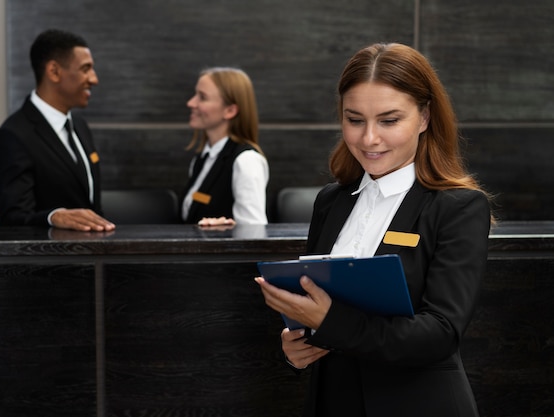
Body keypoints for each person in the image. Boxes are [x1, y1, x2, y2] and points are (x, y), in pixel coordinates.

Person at [255, 42, 493, 417]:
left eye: (389, 120)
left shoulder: (458, 207)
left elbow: (440, 334)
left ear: (425, 118)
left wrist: (329, 322)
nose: (369, 139)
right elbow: (320, 307)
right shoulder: (332, 201)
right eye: (354, 120)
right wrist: (297, 346)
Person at [0, 29, 115, 232]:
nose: (94, 79)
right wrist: (53, 217)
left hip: (92, 258)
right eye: (86, 69)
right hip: (51, 260)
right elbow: (12, 218)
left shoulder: (80, 126)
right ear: (54, 71)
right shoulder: (12, 137)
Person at [181, 67, 269, 227]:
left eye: (202, 97)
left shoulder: (246, 161)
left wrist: (226, 231)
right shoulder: (201, 159)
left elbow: (254, 233)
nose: (191, 103)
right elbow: (200, 199)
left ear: (230, 110)